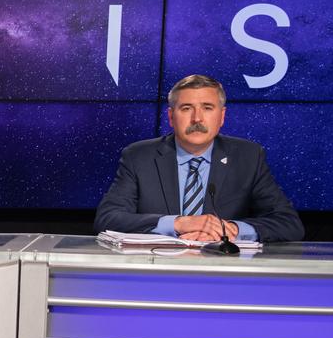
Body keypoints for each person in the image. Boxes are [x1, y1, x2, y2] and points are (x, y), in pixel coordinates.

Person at [94, 74, 303, 242]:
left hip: (224, 271)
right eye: (186, 108)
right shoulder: (139, 156)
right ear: (171, 117)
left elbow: (288, 224)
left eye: (207, 108)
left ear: (222, 116)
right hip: (157, 268)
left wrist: (230, 229)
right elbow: (108, 219)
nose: (197, 118)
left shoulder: (248, 156)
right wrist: (179, 223)